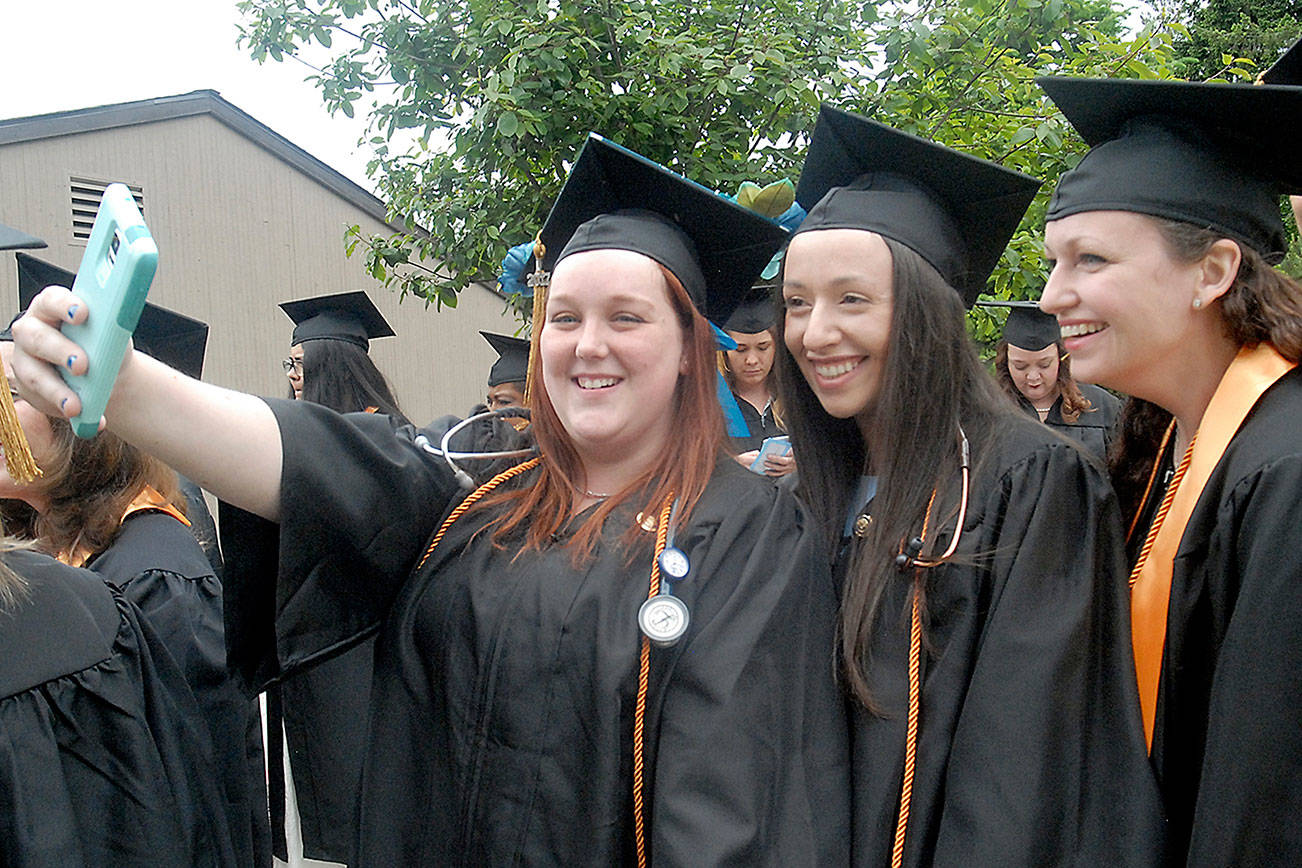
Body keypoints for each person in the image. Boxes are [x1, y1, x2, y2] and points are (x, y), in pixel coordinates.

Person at [14, 133, 850, 865]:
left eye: (626, 319)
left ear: (684, 351)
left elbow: (733, 811)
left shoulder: (751, 536)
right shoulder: (477, 481)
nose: (588, 346)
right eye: (564, 318)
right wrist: (118, 385)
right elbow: (313, 459)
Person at [773, 104, 1163, 865]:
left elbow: (1023, 775)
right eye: (796, 302)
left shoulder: (1031, 485)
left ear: (925, 313)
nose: (815, 333)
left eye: (852, 299)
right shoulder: (799, 502)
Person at [1037, 75, 1302, 865]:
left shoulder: (1286, 468)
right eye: (1055, 262)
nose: (1054, 295)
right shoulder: (1166, 447)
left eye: (1090, 260)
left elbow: (1269, 802)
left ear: (1213, 271)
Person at [0, 329, 271, 868]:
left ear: (82, 426)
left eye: (12, 394)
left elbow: (203, 791)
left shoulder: (156, 576)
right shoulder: (61, 553)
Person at [260, 289, 410, 865]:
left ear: (327, 364)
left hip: (361, 647)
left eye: (298, 365)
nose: (293, 378)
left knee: (365, 800)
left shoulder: (378, 441)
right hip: (323, 648)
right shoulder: (319, 439)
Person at [982, 299, 1120, 460]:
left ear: (1061, 359)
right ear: (1006, 363)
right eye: (1020, 366)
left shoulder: (1103, 408)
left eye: (1044, 365)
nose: (1033, 377)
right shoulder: (988, 411)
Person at [279, 290, 408, 424]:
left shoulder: (381, 429)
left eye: (301, 363)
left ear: (340, 368)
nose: (291, 374)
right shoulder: (297, 426)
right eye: (291, 363)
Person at [719, 294, 795, 477]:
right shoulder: (710, 402)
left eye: (762, 347)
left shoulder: (796, 399)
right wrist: (731, 466)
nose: (752, 360)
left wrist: (801, 465)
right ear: (724, 352)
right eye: (740, 349)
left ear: (777, 347)